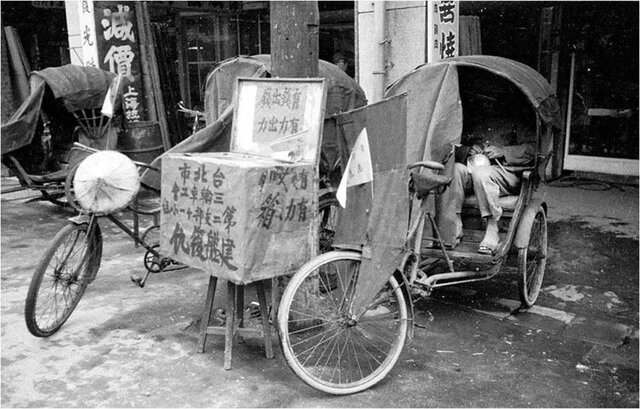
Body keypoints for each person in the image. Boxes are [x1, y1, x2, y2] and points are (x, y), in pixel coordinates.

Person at [435, 119, 536, 254]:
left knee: (481, 173)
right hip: (475, 169)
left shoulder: (517, 116)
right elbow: (455, 145)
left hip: (506, 172)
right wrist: (468, 150)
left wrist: (503, 151)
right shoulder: (476, 115)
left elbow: (532, 149)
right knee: (456, 170)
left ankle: (493, 228)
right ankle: (455, 224)